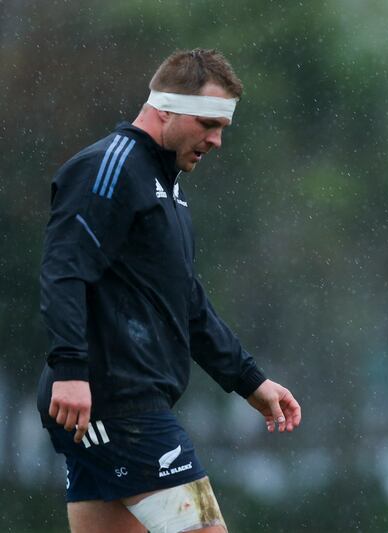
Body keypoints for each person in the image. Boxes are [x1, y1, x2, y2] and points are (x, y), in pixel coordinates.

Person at [37, 48, 301, 533]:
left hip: (116, 403)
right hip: (114, 402)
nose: (216, 141)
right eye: (207, 123)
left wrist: (249, 382)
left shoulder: (166, 187)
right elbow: (63, 270)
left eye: (222, 128)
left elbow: (186, 303)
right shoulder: (108, 169)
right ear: (165, 108)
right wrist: (71, 370)